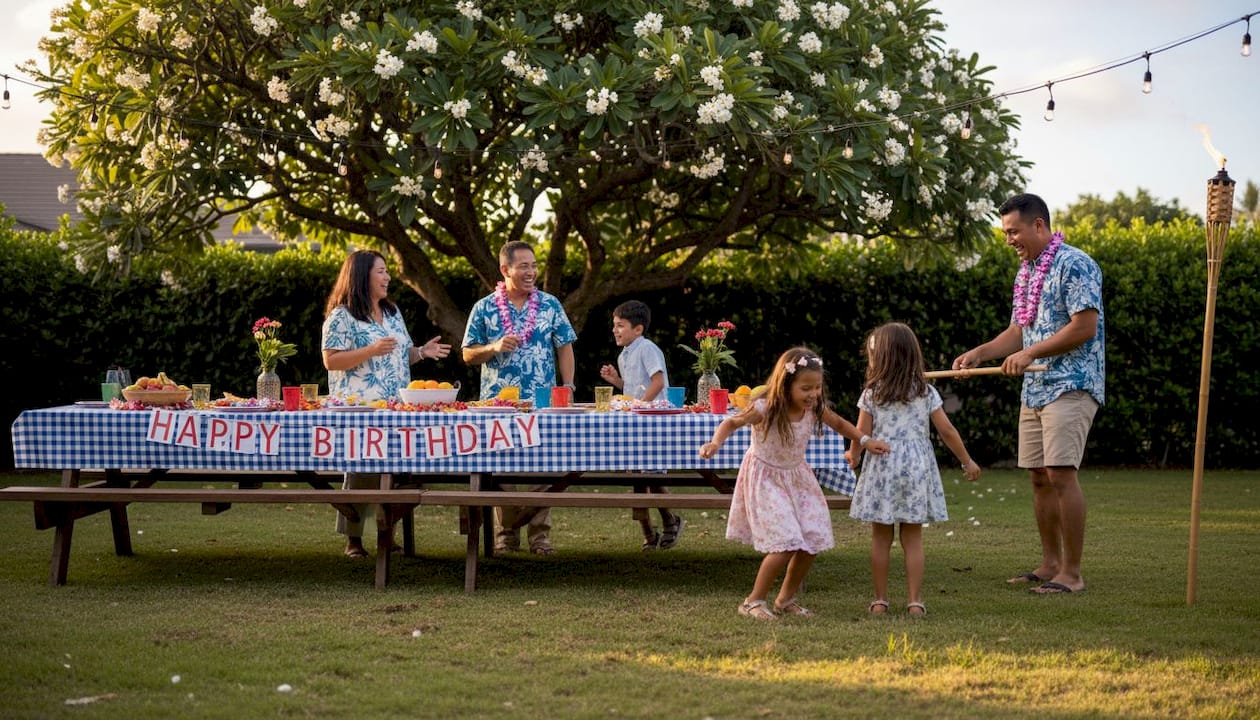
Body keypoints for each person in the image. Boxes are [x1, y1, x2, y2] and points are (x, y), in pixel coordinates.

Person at [953, 193, 1104, 595]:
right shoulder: (1026, 272)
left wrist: (1031, 352)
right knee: (1039, 477)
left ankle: (1071, 574)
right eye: (1005, 233)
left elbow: (1084, 326)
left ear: (1039, 225)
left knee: (1060, 474)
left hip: (1071, 383)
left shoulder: (1075, 263)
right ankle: (1050, 563)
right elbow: (1018, 332)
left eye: (1014, 231)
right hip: (1035, 387)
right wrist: (980, 353)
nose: (1009, 240)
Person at [699, 347, 889, 620]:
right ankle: (752, 601)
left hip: (797, 477)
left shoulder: (815, 409)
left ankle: (785, 599)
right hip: (766, 479)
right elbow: (730, 423)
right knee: (786, 542)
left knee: (813, 538)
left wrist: (865, 441)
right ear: (786, 385)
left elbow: (840, 423)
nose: (813, 394)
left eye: (818, 387)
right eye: (806, 388)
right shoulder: (765, 408)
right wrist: (715, 443)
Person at [322, 250, 452, 558]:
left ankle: (387, 535)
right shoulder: (342, 315)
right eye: (381, 271)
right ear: (361, 276)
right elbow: (331, 360)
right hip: (361, 410)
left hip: (396, 407)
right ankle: (353, 540)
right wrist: (370, 350)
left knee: (395, 471)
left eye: (387, 271)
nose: (388, 277)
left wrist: (421, 352)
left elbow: (399, 352)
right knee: (360, 472)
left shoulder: (393, 313)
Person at [847, 323, 981, 616]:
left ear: (880, 358)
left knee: (881, 538)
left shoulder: (872, 393)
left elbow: (861, 431)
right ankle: (914, 602)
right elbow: (946, 430)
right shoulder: (925, 391)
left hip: (883, 468)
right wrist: (966, 460)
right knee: (913, 537)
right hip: (916, 469)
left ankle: (880, 600)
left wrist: (854, 454)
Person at [462, 241, 578, 555]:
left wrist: (568, 385)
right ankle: (506, 534)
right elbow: (468, 353)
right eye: (523, 266)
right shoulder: (485, 308)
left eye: (534, 265)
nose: (531, 272)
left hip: (542, 401)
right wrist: (494, 347)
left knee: (544, 468)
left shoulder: (550, 304)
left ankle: (539, 536)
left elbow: (564, 345)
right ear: (505, 270)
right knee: (501, 470)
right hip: (498, 404)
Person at [599, 300, 684, 551]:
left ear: (638, 329)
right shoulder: (624, 353)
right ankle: (649, 533)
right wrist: (616, 380)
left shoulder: (647, 348)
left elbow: (657, 382)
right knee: (635, 477)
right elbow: (633, 386)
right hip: (634, 424)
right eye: (614, 325)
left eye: (621, 325)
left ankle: (669, 522)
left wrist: (639, 405)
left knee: (651, 476)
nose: (615, 330)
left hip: (652, 422)